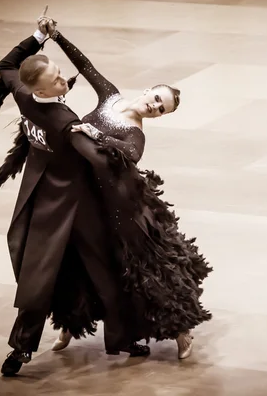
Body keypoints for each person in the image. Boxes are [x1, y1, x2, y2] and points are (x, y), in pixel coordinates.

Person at [0, 11, 149, 377]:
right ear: (41, 91)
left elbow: (6, 64)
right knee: (99, 264)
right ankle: (38, 346)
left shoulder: (23, 94)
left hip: (42, 194)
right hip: (75, 202)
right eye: (57, 81)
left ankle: (24, 350)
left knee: (39, 273)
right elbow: (100, 159)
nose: (65, 80)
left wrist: (38, 36)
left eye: (60, 73)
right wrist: (113, 139)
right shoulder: (65, 125)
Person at [43, 25, 213, 359]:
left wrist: (95, 133)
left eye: (161, 109)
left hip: (122, 204)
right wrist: (56, 36)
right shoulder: (110, 96)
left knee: (147, 267)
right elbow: (86, 65)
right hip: (88, 195)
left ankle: (181, 331)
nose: (154, 106)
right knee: (81, 259)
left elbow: (130, 154)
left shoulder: (137, 134)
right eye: (156, 98)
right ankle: (70, 325)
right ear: (149, 89)